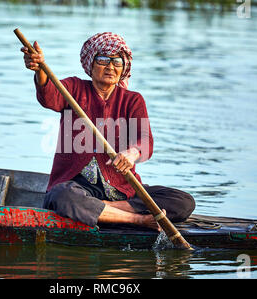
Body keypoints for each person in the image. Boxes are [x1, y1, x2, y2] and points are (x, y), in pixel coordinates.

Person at [21, 32, 195, 231]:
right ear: (91, 64)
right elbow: (49, 96)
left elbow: (145, 141)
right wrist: (39, 69)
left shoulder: (133, 100)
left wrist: (132, 153)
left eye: (117, 62)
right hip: (79, 187)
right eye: (103, 60)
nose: (110, 67)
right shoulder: (74, 88)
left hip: (122, 191)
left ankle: (104, 211)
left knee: (183, 201)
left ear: (123, 68)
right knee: (61, 196)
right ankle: (136, 219)